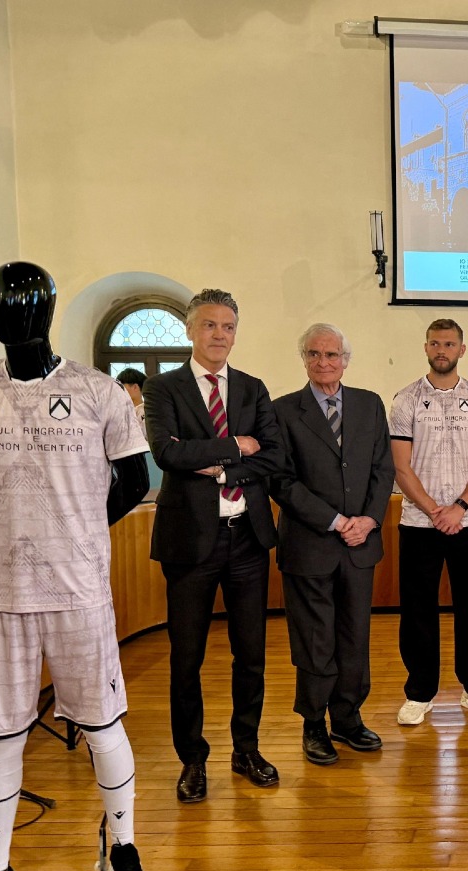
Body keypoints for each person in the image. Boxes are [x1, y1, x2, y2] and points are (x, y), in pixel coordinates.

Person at [0, 262, 151, 871]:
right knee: (0, 735)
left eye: (25, 304)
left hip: (77, 590)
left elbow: (134, 481)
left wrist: (78, 531)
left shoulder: (97, 391)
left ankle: (126, 850)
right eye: (1, 303)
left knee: (102, 723)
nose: (12, 314)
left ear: (47, 311)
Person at [144, 288, 285, 804]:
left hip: (246, 539)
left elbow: (273, 456)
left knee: (251, 655)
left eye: (227, 326)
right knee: (187, 658)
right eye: (209, 325)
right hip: (189, 543)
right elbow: (166, 453)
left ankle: (246, 749)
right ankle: (192, 759)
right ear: (189, 330)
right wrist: (235, 445)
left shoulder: (252, 388)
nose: (219, 335)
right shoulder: (163, 388)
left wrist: (217, 466)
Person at [270, 324, 394, 764]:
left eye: (332, 354)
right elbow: (281, 480)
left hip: (360, 545)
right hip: (310, 546)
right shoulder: (283, 411)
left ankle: (347, 718)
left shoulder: (369, 404)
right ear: (303, 358)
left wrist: (370, 519)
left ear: (346, 360)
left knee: (354, 636)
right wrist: (336, 520)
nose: (323, 362)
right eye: (314, 354)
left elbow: (383, 469)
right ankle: (313, 724)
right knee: (314, 640)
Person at [389, 319, 468, 726]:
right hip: (419, 524)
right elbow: (401, 468)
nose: (442, 350)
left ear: (461, 349)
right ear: (426, 347)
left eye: (449, 344)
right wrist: (435, 510)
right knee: (418, 610)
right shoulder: (405, 399)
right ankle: (420, 692)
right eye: (435, 343)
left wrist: (459, 507)